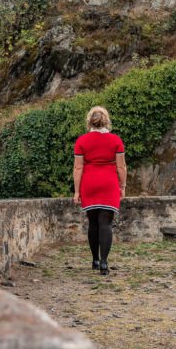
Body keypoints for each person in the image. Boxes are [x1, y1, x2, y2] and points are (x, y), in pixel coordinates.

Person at [73, 105, 126, 275]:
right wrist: (122, 187)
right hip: (109, 183)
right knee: (105, 223)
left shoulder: (81, 141)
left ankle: (95, 259)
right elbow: (121, 167)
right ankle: (104, 262)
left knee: (93, 222)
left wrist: (76, 192)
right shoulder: (116, 140)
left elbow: (78, 168)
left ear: (89, 122)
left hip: (89, 183)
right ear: (106, 121)